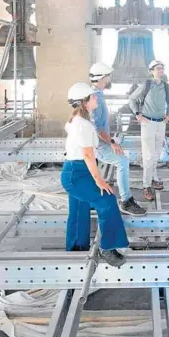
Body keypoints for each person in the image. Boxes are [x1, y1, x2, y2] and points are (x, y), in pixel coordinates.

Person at [61, 82, 129, 267]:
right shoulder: (82, 124)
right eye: (93, 96)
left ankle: (76, 248)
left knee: (78, 208)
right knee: (106, 200)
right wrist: (99, 180)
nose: (96, 97)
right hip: (77, 173)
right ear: (85, 101)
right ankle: (108, 247)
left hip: (76, 170)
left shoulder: (79, 120)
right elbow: (88, 154)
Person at [89, 63, 146, 216]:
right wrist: (111, 142)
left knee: (118, 161)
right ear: (102, 78)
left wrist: (111, 137)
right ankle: (126, 201)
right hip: (99, 145)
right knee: (122, 161)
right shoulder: (95, 97)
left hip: (101, 141)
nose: (110, 79)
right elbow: (97, 127)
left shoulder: (97, 94)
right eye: (108, 76)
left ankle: (93, 199)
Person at [129, 60, 169, 201]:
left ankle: (154, 178)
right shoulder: (146, 85)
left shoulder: (166, 86)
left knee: (156, 154)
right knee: (148, 156)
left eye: (162, 68)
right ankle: (146, 186)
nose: (160, 71)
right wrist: (137, 113)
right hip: (148, 123)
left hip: (161, 123)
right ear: (151, 71)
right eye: (158, 69)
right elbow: (132, 99)